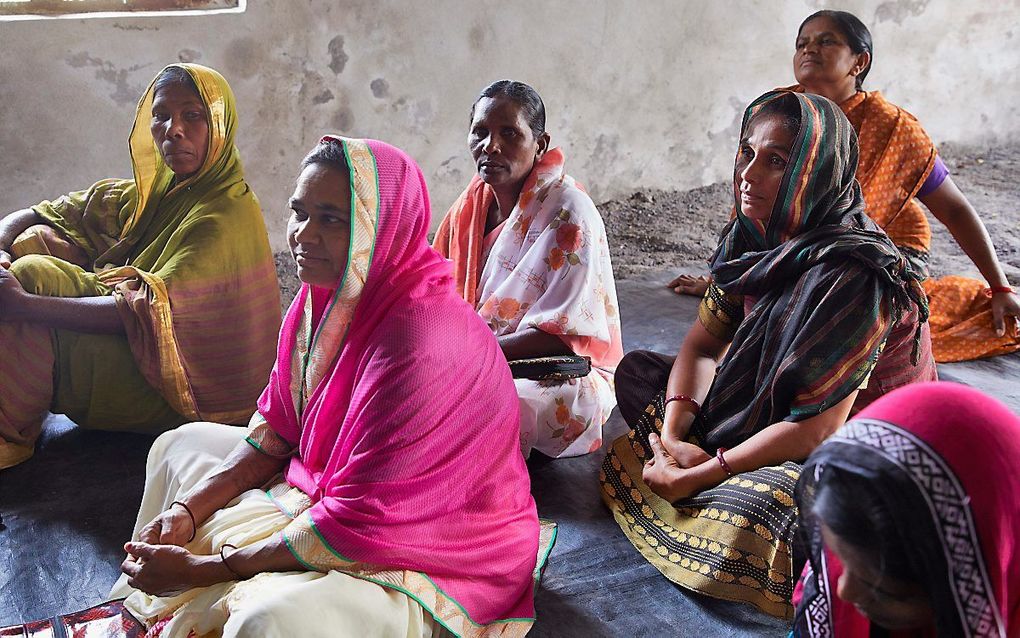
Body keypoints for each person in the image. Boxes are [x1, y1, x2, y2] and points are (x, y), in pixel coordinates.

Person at [109, 136, 550, 637]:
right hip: (332, 487)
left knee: (264, 619)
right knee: (177, 445)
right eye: (299, 213)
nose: (303, 235)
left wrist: (208, 569)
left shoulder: (418, 338)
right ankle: (156, 599)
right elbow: (276, 432)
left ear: (382, 227)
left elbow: (364, 522)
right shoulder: (323, 300)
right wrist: (187, 513)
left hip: (428, 545)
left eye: (332, 219)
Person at [601, 90, 935, 618]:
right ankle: (695, 472)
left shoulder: (855, 275)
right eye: (746, 152)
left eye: (777, 160)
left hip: (851, 448)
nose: (748, 174)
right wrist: (672, 434)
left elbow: (816, 431)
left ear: (815, 170)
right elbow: (703, 344)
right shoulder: (752, 238)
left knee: (786, 506)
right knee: (640, 373)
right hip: (776, 412)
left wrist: (701, 470)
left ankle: (701, 491)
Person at [668, 10, 1020, 363]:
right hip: (796, 243)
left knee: (853, 326)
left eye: (826, 41)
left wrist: (1000, 286)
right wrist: (728, 279)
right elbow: (751, 193)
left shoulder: (892, 129)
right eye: (802, 43)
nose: (810, 49)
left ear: (859, 61)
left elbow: (955, 209)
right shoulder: (778, 112)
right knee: (778, 312)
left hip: (880, 248)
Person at [0, 64, 280, 469]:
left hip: (194, 396)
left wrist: (22, 304)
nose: (174, 129)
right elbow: (37, 212)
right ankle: (20, 391)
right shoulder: (161, 195)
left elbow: (148, 310)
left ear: (220, 125)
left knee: (32, 279)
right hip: (155, 352)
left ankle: (9, 429)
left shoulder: (223, 215)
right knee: (33, 243)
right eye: (161, 115)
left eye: (193, 116)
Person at [433, 80, 623, 459]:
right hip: (477, 355)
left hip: (557, 373)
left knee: (474, 408)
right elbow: (431, 289)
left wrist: (468, 355)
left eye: (509, 133)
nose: (491, 146)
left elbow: (561, 336)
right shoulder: (471, 205)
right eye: (480, 132)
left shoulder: (569, 211)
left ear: (540, 143)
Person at [792, 382, 1019, 637]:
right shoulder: (840, 575)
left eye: (886, 593)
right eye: (838, 558)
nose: (843, 592)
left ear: (971, 586)